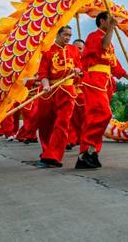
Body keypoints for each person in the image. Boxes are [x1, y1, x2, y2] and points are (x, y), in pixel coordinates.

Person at [75, 11, 128, 169]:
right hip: (94, 81)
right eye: (110, 20)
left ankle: (91, 151)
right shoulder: (94, 36)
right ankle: (84, 152)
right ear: (102, 21)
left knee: (96, 117)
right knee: (103, 114)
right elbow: (104, 45)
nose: (113, 22)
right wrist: (112, 29)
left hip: (105, 83)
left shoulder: (110, 42)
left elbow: (114, 65)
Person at [34, 26, 82, 168]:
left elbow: (80, 68)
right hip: (49, 91)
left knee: (62, 123)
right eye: (65, 35)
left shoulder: (73, 50)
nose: (68, 38)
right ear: (58, 35)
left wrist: (77, 70)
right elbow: (43, 73)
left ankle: (53, 156)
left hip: (67, 91)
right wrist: (46, 84)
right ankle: (47, 151)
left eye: (70, 35)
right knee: (45, 124)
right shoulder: (48, 51)